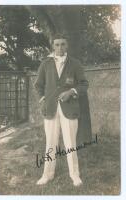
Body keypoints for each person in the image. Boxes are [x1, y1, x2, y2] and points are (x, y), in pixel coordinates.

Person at [35, 33, 89, 186]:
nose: (60, 47)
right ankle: (47, 174)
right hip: (50, 109)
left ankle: (74, 175)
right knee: (50, 142)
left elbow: (84, 84)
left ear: (67, 46)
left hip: (70, 108)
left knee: (70, 142)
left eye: (63, 44)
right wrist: (43, 100)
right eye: (57, 44)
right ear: (53, 46)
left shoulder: (75, 63)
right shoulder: (45, 63)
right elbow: (38, 85)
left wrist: (71, 92)